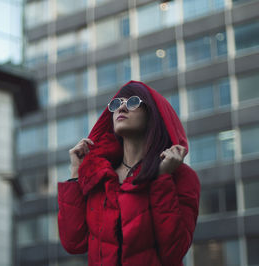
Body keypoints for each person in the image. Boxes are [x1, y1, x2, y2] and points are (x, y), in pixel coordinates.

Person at [57, 81, 200, 266]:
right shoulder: (100, 177)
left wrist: (162, 178)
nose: (121, 107)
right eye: (116, 104)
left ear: (152, 115)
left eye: (133, 102)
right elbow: (74, 243)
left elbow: (174, 251)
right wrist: (76, 173)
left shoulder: (180, 176)